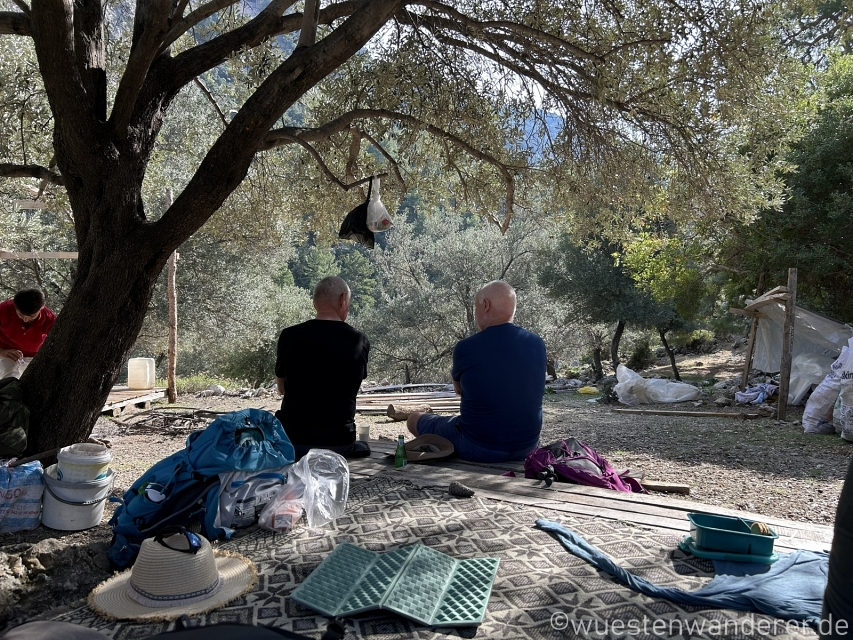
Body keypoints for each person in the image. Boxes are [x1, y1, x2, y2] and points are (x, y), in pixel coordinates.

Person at [407, 280, 546, 463]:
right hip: (527, 447)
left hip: (478, 447)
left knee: (414, 419)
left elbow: (459, 389)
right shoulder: (537, 344)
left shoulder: (466, 347)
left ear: (485, 305)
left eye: (476, 308)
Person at [274, 276, 371, 460]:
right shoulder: (359, 341)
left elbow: (281, 389)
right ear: (343, 300)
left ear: (314, 303)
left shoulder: (289, 336)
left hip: (293, 442)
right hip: (339, 442)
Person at [0, 289, 56, 380]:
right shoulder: (2, 310)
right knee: (8, 379)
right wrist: (2, 352)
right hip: (7, 351)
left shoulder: (50, 319)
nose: (25, 319)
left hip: (34, 356)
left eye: (32, 316)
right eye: (20, 315)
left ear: (42, 306)